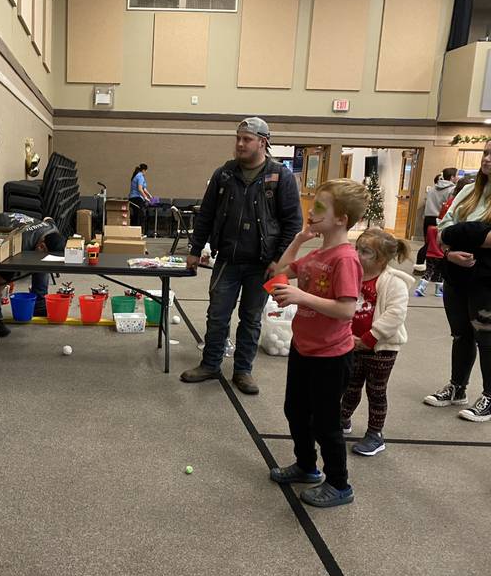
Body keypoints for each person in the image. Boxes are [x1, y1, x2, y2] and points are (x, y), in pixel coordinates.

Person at [180, 117, 302, 394]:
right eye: (238, 138)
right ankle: (210, 364)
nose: (239, 144)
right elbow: (207, 215)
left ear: (263, 142)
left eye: (246, 139)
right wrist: (195, 250)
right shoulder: (224, 174)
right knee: (218, 314)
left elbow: (293, 223)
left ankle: (243, 371)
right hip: (227, 260)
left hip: (263, 264)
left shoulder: (280, 177)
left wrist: (279, 260)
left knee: (251, 317)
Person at [268, 178, 368, 508]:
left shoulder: (345, 259)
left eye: (321, 207)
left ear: (341, 218)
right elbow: (278, 272)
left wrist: (301, 296)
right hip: (303, 349)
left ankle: (339, 484)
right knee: (295, 410)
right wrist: (298, 240)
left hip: (331, 356)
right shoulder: (316, 254)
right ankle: (307, 466)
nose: (312, 211)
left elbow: (346, 310)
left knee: (325, 423)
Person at [423, 142, 491, 421]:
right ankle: (457, 388)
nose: (487, 158)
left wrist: (458, 232)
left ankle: (489, 395)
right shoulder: (467, 191)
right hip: (457, 274)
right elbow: (441, 231)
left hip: (486, 279)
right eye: (486, 152)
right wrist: (450, 252)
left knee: (486, 337)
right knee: (460, 333)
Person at [341, 228, 413, 456]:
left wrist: (369, 338)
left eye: (365, 252)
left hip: (381, 349)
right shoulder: (355, 275)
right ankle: (342, 419)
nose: (358, 254)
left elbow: (395, 314)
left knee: (376, 391)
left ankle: (375, 434)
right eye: (357, 249)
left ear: (380, 259)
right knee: (349, 386)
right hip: (352, 344)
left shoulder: (394, 283)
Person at [0, 212, 66, 341]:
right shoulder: (20, 246)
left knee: (42, 263)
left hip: (13, 227)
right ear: (41, 245)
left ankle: (39, 305)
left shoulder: (52, 230)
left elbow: (48, 218)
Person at [414, 168, 458, 271]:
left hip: (428, 218)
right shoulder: (451, 190)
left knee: (428, 243)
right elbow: (449, 205)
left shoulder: (433, 188)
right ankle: (437, 269)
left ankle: (419, 264)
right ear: (451, 177)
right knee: (441, 244)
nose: (458, 177)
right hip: (440, 218)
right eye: (456, 175)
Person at [129, 164, 151, 228]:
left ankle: (136, 231)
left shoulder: (137, 176)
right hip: (137, 198)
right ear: (144, 170)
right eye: (146, 171)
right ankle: (137, 231)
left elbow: (144, 188)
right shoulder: (140, 176)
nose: (146, 173)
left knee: (136, 215)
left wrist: (149, 195)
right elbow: (140, 189)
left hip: (133, 198)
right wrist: (145, 197)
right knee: (139, 215)